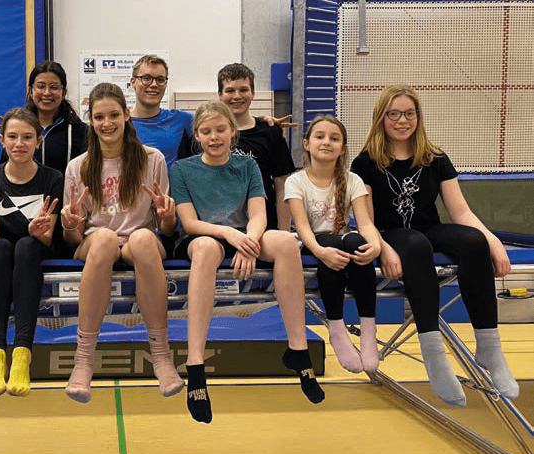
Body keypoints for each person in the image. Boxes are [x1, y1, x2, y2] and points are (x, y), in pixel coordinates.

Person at [350, 85, 518, 405]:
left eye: (409, 113)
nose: (402, 120)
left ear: (418, 117)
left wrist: (492, 241)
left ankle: (488, 347)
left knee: (471, 241)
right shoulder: (366, 162)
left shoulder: (435, 157)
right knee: (414, 245)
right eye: (394, 114)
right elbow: (366, 220)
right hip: (390, 232)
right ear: (381, 118)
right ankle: (433, 355)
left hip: (429, 228)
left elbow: (461, 212)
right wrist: (384, 248)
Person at [170, 101, 325, 424]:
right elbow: (189, 223)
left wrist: (250, 242)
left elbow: (258, 214)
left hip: (244, 236)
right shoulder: (183, 169)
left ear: (232, 132)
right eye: (206, 131)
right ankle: (195, 366)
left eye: (220, 130)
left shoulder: (247, 167)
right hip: (206, 235)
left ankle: (298, 350)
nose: (214, 137)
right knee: (207, 250)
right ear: (197, 136)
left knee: (284, 241)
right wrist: (231, 236)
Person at [61, 82, 183, 403]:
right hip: (96, 243)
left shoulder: (152, 159)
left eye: (114, 114)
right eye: (99, 117)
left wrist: (166, 215)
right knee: (102, 238)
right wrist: (71, 224)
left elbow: (165, 231)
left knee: (143, 238)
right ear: (90, 120)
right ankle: (83, 360)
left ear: (127, 115)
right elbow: (73, 238)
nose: (107, 123)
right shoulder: (79, 166)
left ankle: (161, 356)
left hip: (137, 242)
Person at [0, 108, 63, 398]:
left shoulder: (52, 178)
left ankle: (22, 353)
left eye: (27, 137)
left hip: (35, 249)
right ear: (1, 140)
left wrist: (37, 231)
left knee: (26, 245)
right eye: (12, 137)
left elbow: (46, 236)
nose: (19, 143)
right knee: (1, 247)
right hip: (2, 250)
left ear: (38, 142)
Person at [285, 115, 380, 374]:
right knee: (330, 243)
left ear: (343, 148)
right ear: (306, 143)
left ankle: (368, 329)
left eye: (334, 138)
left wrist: (375, 246)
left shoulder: (352, 180)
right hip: (313, 242)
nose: (327, 142)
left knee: (358, 243)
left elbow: (365, 223)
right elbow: (302, 226)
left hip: (344, 240)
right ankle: (336, 329)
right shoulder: (296, 181)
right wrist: (319, 251)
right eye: (320, 136)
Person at [218, 63, 296, 231]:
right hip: (221, 226)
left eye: (243, 90)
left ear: (252, 93)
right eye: (230, 90)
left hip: (264, 226)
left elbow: (282, 185)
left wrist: (284, 232)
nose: (237, 96)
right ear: (220, 95)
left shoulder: (271, 132)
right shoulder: (210, 136)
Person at [0, 61, 87, 176]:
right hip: (24, 193)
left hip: (64, 193)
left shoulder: (79, 131)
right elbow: (5, 173)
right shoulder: (18, 130)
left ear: (63, 92)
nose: (47, 93)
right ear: (30, 91)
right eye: (40, 86)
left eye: (53, 87)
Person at [128, 54, 194, 168]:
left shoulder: (184, 120)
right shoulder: (121, 124)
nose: (154, 84)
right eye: (146, 78)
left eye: (160, 79)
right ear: (133, 82)